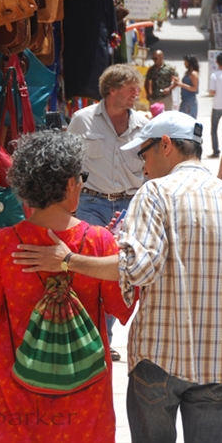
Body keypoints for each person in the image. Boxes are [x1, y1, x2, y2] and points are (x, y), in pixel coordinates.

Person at [13, 112, 222, 443]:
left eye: (143, 154)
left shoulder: (154, 194)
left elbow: (137, 268)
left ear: (166, 145)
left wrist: (69, 261)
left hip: (158, 360)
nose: (143, 167)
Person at [0, 131, 134, 443]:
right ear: (70, 184)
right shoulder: (97, 241)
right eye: (81, 178)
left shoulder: (4, 244)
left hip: (12, 386)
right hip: (82, 394)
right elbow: (120, 306)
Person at [67, 64, 149, 361]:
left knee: (120, 272)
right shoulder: (82, 120)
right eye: (130, 88)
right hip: (91, 204)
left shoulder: (143, 124)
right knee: (91, 271)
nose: (136, 93)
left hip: (130, 204)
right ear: (112, 89)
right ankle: (96, 337)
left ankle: (106, 336)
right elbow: (69, 163)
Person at [174, 55, 200, 119]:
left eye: (185, 62)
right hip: (185, 100)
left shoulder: (193, 73)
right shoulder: (188, 73)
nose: (184, 64)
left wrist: (181, 85)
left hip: (190, 101)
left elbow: (194, 88)